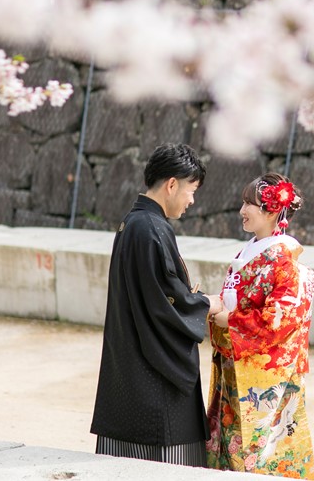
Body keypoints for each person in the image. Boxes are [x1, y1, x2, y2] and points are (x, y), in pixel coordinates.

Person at [91, 143, 222, 466]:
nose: (192, 200)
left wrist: (188, 298)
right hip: (152, 373)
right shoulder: (151, 228)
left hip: (130, 363)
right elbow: (166, 298)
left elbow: (157, 290)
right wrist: (206, 303)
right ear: (172, 184)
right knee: (164, 461)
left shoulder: (133, 223)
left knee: (125, 464)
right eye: (191, 190)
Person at [206, 172, 314, 479]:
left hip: (264, 373)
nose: (242, 210)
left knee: (265, 447)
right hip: (236, 362)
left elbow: (280, 319)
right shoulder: (250, 251)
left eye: (249, 204)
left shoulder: (283, 259)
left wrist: (231, 319)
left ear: (270, 210)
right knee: (231, 441)